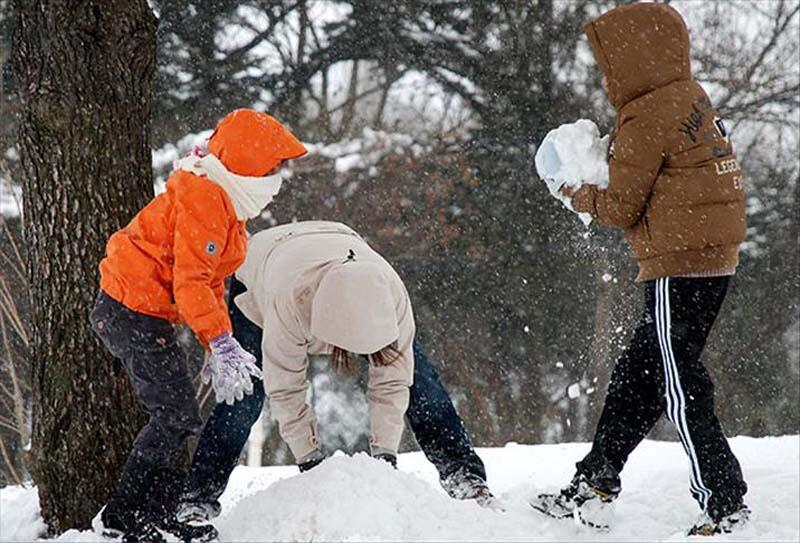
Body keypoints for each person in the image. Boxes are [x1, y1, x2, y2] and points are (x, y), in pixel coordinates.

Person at [531, 3, 749, 536]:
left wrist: (573, 193)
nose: (606, 78)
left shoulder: (646, 113)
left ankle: (724, 502)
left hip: (681, 262)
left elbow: (622, 205)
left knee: (678, 381)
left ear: (634, 58)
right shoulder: (690, 96)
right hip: (710, 256)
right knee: (640, 375)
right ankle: (595, 481)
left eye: (608, 65)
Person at [175, 221, 493, 525]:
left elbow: (394, 380)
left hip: (338, 242)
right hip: (264, 263)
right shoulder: (289, 299)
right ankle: (196, 499)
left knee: (421, 383)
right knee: (245, 393)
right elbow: (286, 387)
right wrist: (309, 458)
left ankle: (464, 476)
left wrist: (385, 454)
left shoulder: (391, 295)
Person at [90, 109, 307, 542]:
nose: (278, 179)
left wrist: (218, 342)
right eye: (274, 168)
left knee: (179, 416)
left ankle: (159, 515)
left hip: (145, 310)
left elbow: (210, 281)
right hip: (131, 310)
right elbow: (189, 281)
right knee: (174, 415)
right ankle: (121, 517)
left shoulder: (225, 199)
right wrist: (219, 341)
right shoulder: (207, 197)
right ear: (249, 165)